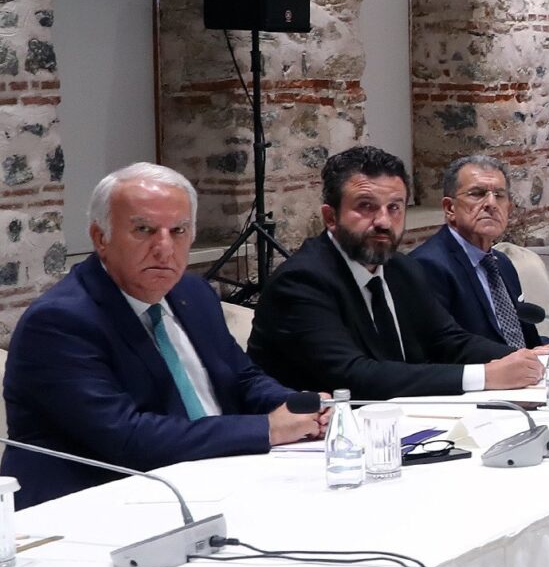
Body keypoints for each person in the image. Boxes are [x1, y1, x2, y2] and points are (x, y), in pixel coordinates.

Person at [1, 164, 326, 508]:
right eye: (144, 230)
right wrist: (267, 429)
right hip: (93, 507)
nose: (164, 248)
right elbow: (127, 439)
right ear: (101, 238)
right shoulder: (60, 322)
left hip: (214, 481)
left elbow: (241, 378)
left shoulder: (193, 292)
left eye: (179, 230)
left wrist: (298, 407)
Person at [250, 146, 545, 400]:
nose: (383, 221)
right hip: (320, 436)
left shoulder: (401, 269)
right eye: (366, 207)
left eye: (394, 207)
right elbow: (354, 376)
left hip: (403, 422)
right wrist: (484, 376)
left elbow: (449, 341)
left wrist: (525, 359)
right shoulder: (302, 281)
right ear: (330, 217)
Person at [406, 155, 549, 350]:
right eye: (477, 194)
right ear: (449, 208)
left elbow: (526, 338)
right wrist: (514, 359)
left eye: (499, 195)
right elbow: (444, 349)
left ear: (509, 208)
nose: (491, 203)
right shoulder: (428, 265)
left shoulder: (502, 262)